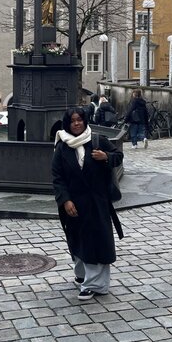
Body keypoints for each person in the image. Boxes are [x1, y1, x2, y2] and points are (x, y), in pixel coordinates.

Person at [52, 107, 123, 301]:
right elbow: (58, 177)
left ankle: (94, 285)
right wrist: (65, 200)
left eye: (80, 120)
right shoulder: (62, 147)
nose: (77, 123)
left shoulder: (98, 140)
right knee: (78, 241)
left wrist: (106, 157)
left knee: (97, 242)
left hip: (97, 202)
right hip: (75, 204)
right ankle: (82, 274)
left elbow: (119, 156)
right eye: (73, 121)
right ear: (67, 124)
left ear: (85, 121)